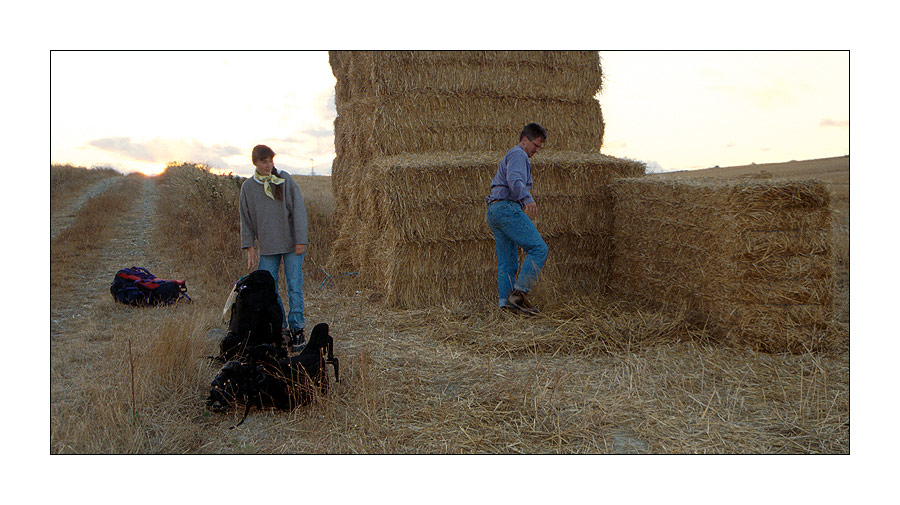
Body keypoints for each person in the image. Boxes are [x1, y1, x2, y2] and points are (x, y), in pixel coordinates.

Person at [240, 144, 309, 350]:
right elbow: (246, 219)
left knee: (294, 286)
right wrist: (250, 247)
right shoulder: (248, 188)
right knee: (269, 290)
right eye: (264, 161)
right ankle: (279, 326)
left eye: (271, 160)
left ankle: (297, 329)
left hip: (291, 244)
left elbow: (298, 211)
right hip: (268, 246)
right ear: (255, 163)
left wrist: (300, 241)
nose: (269, 165)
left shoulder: (284, 180)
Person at [485, 123, 549, 315]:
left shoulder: (514, 154)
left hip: (495, 210)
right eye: (536, 145)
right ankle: (519, 295)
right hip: (507, 207)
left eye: (540, 147)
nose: (537, 150)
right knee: (539, 248)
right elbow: (514, 180)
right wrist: (527, 198)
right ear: (524, 140)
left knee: (507, 262)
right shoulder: (518, 154)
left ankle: (506, 305)